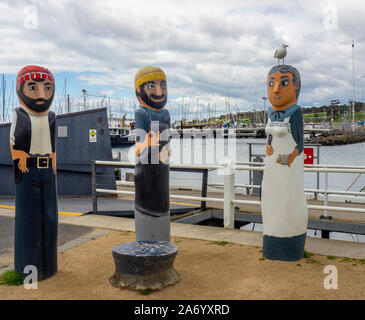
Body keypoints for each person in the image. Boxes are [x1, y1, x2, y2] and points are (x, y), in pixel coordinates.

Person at [10, 65, 58, 278]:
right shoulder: (19, 115)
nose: (42, 95)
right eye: (33, 87)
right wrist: (19, 158)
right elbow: (15, 144)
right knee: (28, 220)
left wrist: (54, 165)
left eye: (47, 88)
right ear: (20, 88)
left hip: (48, 172)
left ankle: (49, 266)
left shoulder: (52, 117)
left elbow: (54, 146)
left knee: (50, 218)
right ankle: (29, 268)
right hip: (27, 171)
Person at [261, 64, 308, 261]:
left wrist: (291, 156)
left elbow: (300, 142)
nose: (276, 89)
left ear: (296, 87)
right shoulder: (270, 113)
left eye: (284, 82)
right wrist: (269, 147)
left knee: (289, 202)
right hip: (271, 168)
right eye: (271, 83)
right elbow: (270, 137)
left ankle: (291, 245)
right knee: (270, 202)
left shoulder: (295, 112)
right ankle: (271, 244)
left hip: (289, 168)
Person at [134, 66, 171, 241]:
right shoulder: (141, 113)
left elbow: (166, 143)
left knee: (163, 200)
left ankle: (162, 239)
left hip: (162, 167)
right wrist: (151, 141)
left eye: (163, 85)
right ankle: (147, 240)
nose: (159, 91)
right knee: (148, 202)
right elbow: (140, 147)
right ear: (138, 90)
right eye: (151, 86)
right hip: (146, 169)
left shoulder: (166, 114)